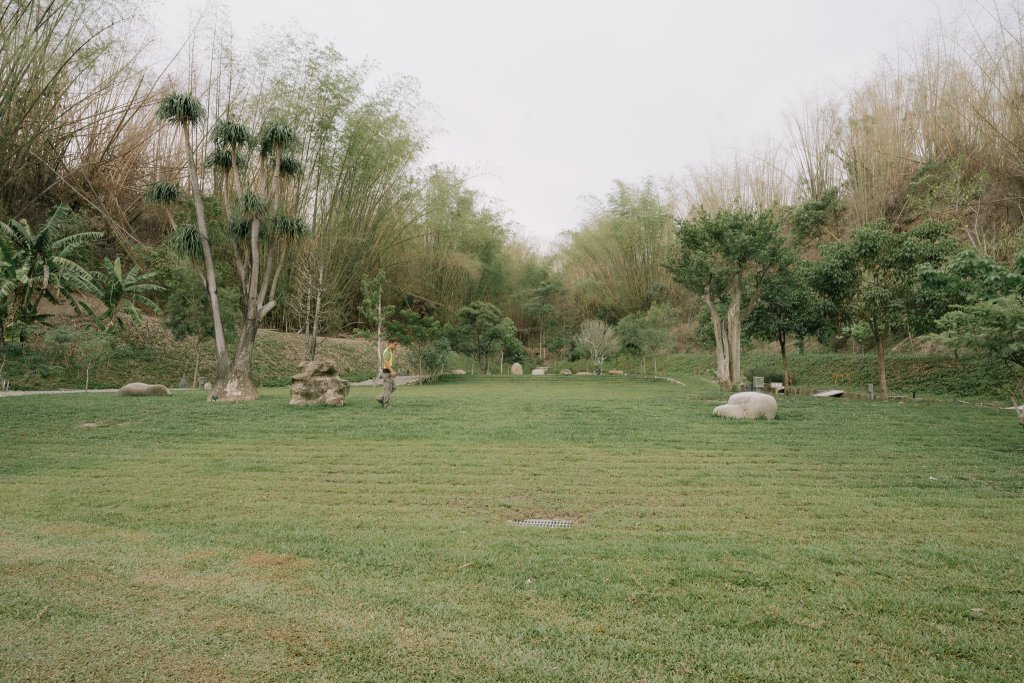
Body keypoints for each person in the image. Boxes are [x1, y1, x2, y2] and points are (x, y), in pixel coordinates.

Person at [377, 339, 399, 408]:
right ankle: (386, 405)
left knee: (394, 387)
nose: (396, 346)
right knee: (388, 389)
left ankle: (380, 398)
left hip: (388, 373)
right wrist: (392, 371)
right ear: (390, 344)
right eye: (395, 344)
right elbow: (386, 362)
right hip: (386, 373)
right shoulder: (387, 351)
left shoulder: (390, 351)